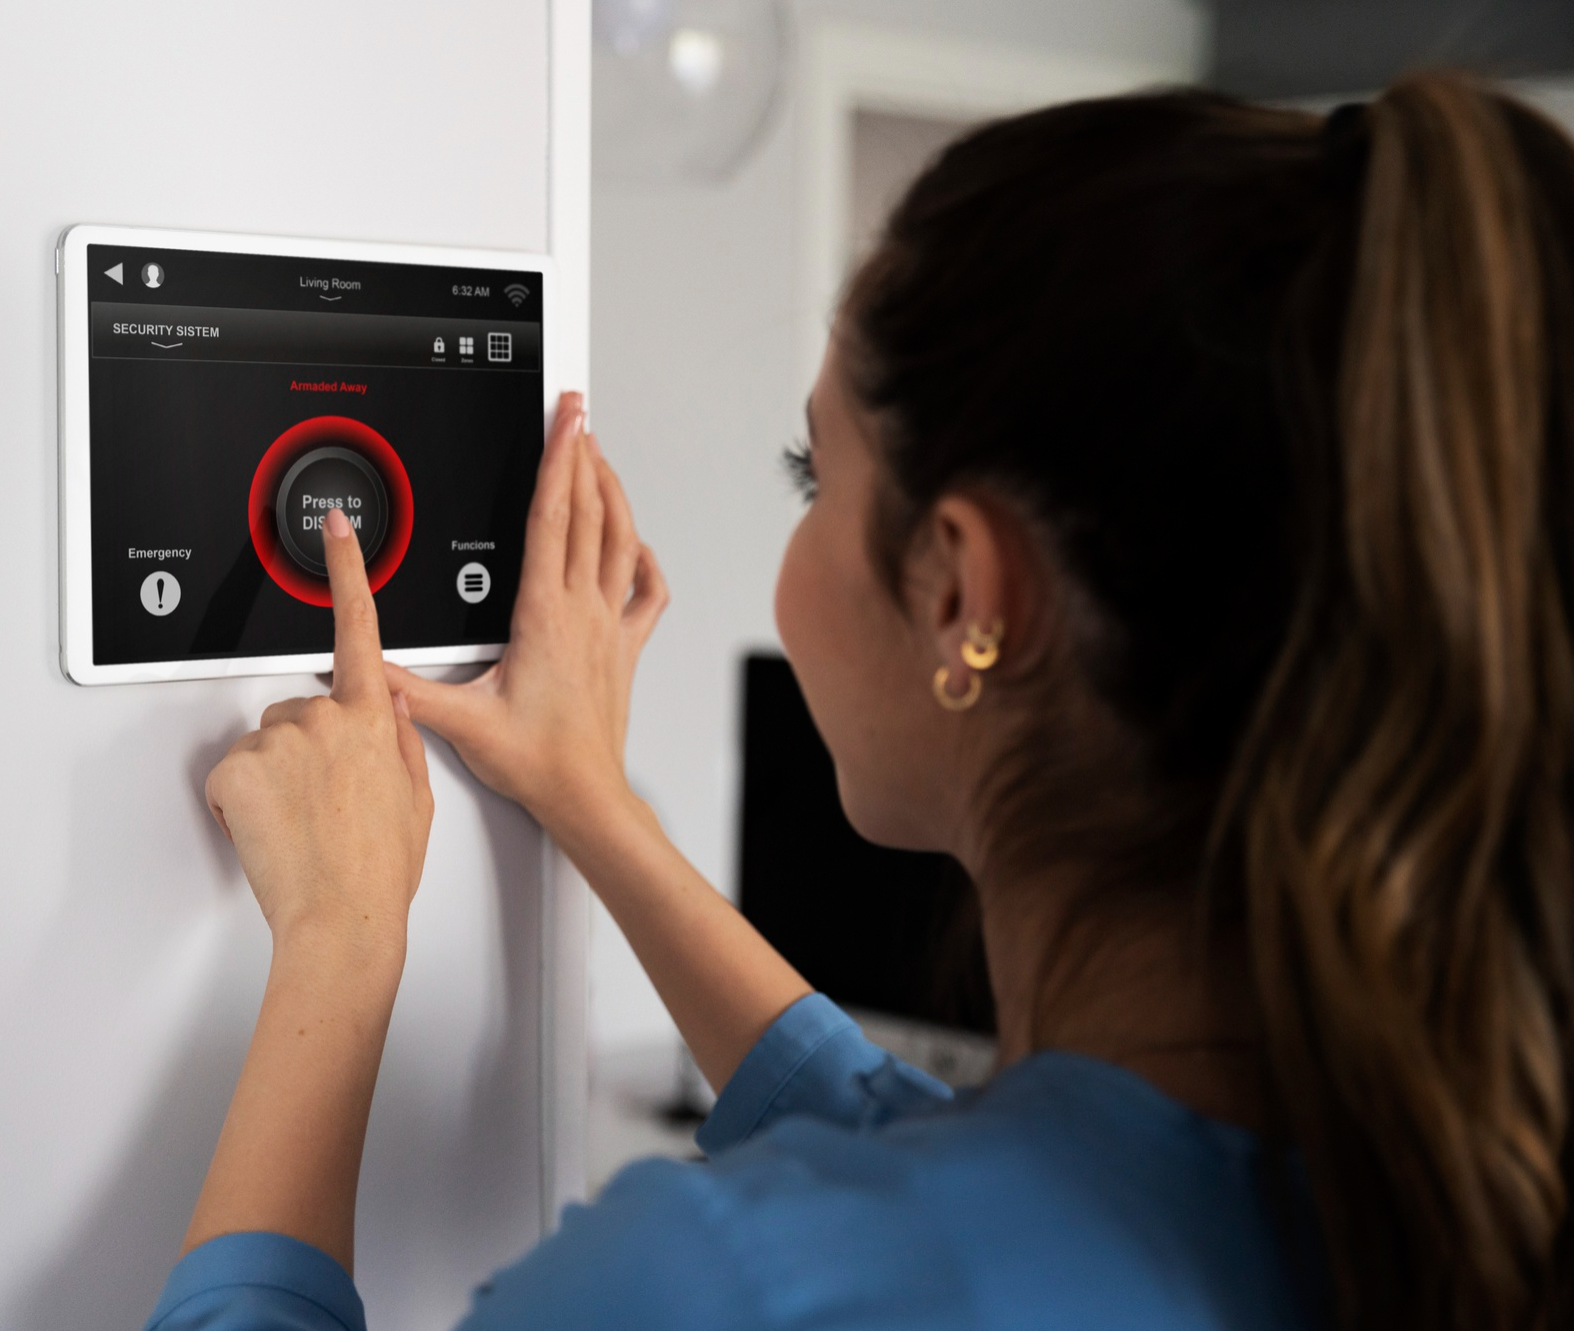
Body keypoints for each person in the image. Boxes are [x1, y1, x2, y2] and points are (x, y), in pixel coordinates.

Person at [149, 71, 1574, 1331]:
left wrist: (337, 946)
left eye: (812, 478)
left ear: (960, 591)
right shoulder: (1447, 1183)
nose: (794, 535)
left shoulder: (716, 1290)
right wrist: (589, 799)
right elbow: (965, 1165)